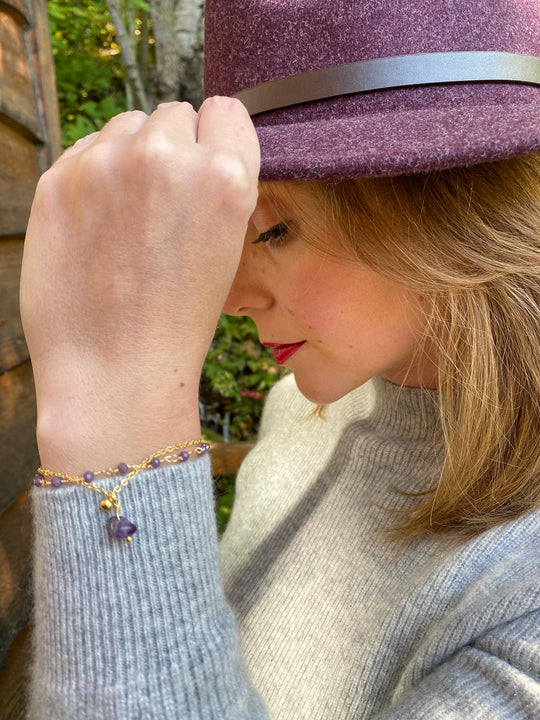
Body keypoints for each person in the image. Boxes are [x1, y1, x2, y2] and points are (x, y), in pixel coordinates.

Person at [20, 0, 540, 717]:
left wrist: (116, 424)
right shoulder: (297, 408)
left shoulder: (524, 595)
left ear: (452, 211)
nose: (229, 297)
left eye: (273, 231)